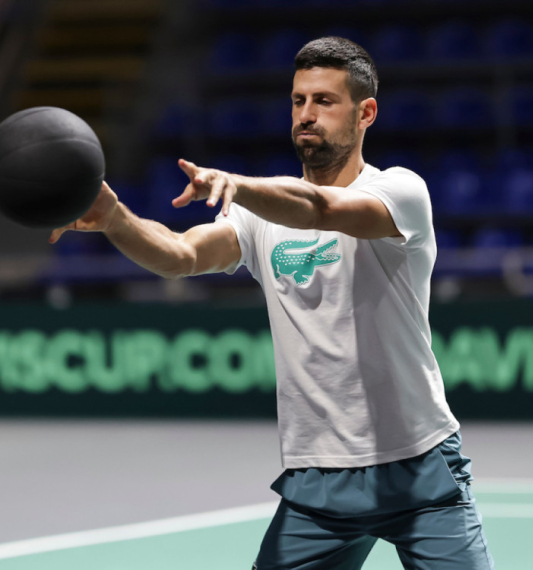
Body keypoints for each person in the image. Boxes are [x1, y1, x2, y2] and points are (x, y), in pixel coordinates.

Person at [49, 37, 494, 570]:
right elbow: (180, 254)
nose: (306, 114)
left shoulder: (400, 192)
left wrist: (236, 184)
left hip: (418, 464)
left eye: (324, 101)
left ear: (365, 113)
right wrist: (115, 219)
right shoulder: (259, 217)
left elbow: (320, 208)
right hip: (318, 478)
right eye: (298, 100)